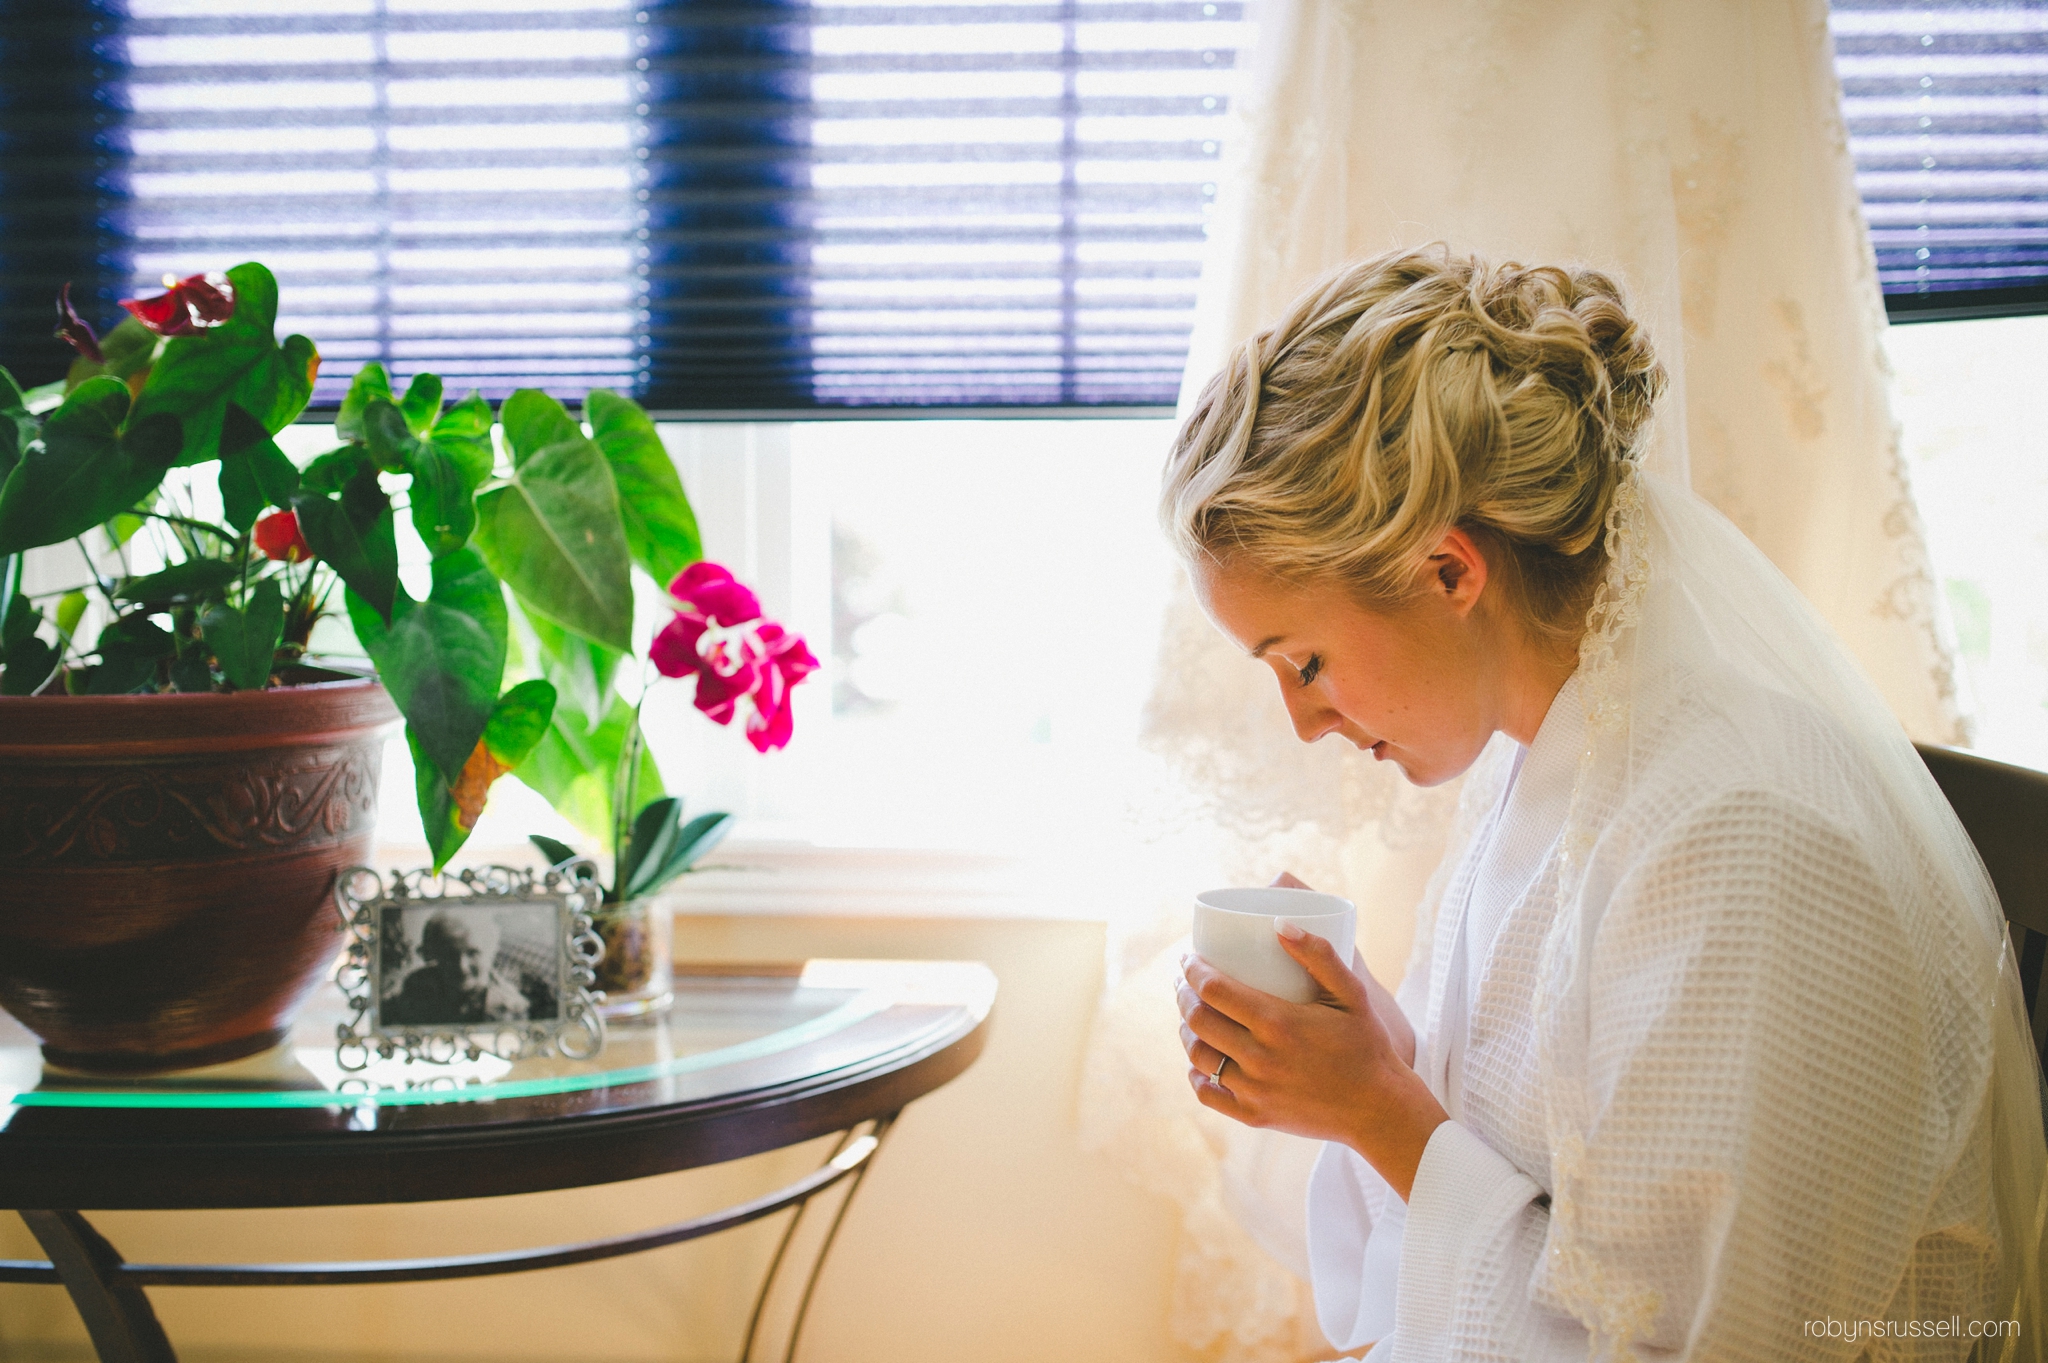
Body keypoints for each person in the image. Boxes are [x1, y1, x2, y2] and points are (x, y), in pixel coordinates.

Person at [1164, 248, 2047, 1360]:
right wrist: (1383, 1061)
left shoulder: (1739, 838)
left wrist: (1379, 1112)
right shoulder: (1534, 759)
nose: (1304, 721)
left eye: (1302, 662)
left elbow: (1697, 1341)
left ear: (1448, 573)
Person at [383, 909, 531, 1027]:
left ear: (490, 954)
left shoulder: (509, 1009)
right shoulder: (415, 986)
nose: (462, 967)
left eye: (473, 954)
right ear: (433, 955)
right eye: (449, 955)